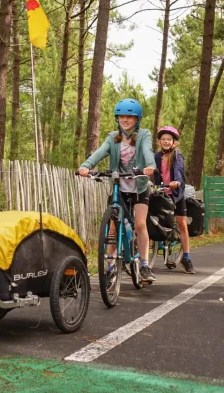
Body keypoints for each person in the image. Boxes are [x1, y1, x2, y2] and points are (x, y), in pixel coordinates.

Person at [78, 99, 156, 283]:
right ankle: (110, 267)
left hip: (139, 186)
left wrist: (150, 166)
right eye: (122, 116)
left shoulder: (143, 135)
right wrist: (85, 166)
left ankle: (144, 265)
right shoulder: (113, 137)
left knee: (140, 225)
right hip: (119, 187)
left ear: (137, 119)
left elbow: (147, 151)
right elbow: (100, 152)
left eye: (130, 116)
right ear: (117, 118)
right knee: (113, 226)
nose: (125, 119)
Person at [153, 126, 194, 273]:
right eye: (163, 139)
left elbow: (178, 170)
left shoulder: (177, 155)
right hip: (162, 192)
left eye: (168, 139)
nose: (165, 141)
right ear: (159, 141)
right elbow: (154, 172)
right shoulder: (157, 156)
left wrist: (176, 182)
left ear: (174, 142)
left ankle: (187, 257)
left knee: (182, 224)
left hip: (176, 194)